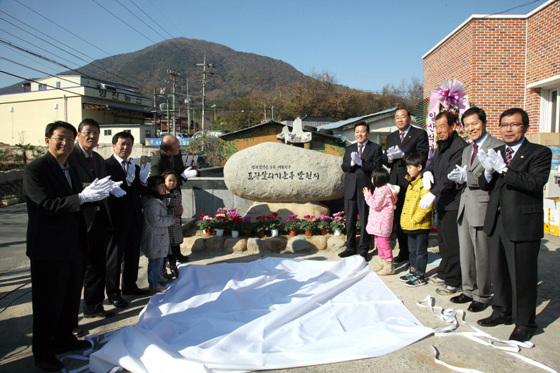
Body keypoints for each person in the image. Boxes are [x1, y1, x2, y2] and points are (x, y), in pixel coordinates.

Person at [24, 121, 112, 371]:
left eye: (69, 139)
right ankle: (43, 353)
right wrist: (81, 197)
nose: (65, 143)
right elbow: (45, 205)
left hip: (74, 243)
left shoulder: (70, 167)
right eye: (60, 138)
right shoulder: (36, 170)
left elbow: (77, 201)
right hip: (49, 248)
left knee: (70, 296)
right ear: (47, 140)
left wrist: (95, 195)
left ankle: (64, 338)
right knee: (47, 303)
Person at [476, 108, 551, 343]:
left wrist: (504, 169)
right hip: (496, 220)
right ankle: (501, 311)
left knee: (522, 276)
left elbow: (534, 183)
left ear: (525, 127)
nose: (508, 129)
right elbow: (486, 185)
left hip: (521, 223)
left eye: (514, 124)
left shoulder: (539, 153)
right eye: (504, 125)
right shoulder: (497, 151)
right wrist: (488, 173)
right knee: (498, 272)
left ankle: (525, 322)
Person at [446, 107, 503, 312]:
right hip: (465, 206)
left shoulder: (497, 145)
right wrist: (459, 178)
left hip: (482, 206)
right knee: (466, 252)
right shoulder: (468, 150)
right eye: (467, 125)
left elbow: (494, 179)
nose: (471, 128)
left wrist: (467, 178)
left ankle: (483, 294)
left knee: (482, 254)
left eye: (474, 124)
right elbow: (465, 177)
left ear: (484, 123)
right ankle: (468, 289)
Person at [68, 119, 121, 325]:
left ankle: (94, 307)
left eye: (96, 133)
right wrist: (87, 188)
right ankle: (70, 321)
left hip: (100, 218)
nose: (92, 137)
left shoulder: (98, 159)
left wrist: (111, 186)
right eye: (88, 132)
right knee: (77, 271)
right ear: (79, 135)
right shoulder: (70, 157)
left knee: (98, 265)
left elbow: (102, 182)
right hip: (80, 219)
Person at [420, 111, 467, 295]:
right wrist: (427, 172)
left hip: (453, 201)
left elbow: (451, 176)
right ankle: (444, 271)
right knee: (443, 242)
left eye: (442, 126)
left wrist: (433, 192)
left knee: (452, 243)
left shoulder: (459, 147)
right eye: (437, 127)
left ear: (454, 126)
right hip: (442, 202)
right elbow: (433, 163)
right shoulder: (442, 146)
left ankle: (454, 280)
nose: (439, 130)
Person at [105, 132, 151, 308]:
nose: (126, 148)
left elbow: (142, 192)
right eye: (122, 144)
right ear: (114, 145)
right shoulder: (106, 166)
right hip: (116, 220)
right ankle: (113, 292)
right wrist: (127, 183)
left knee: (132, 255)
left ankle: (130, 286)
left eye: (129, 145)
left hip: (134, 218)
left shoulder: (135, 166)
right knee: (114, 258)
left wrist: (143, 181)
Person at [382, 108, 429, 264]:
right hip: (395, 183)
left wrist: (404, 156)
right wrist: (389, 158)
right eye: (397, 117)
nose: (400, 119)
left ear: (409, 118)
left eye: (403, 116)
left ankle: (414, 253)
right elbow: (384, 158)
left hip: (411, 181)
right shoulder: (391, 136)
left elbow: (423, 156)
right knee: (399, 218)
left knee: (412, 216)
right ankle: (403, 251)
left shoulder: (419, 134)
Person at [339, 122, 383, 260]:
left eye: (362, 131)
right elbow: (344, 166)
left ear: (368, 133)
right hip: (351, 189)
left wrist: (361, 163)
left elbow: (377, 166)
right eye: (357, 131)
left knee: (365, 220)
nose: (359, 134)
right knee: (350, 220)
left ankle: (364, 248)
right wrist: (352, 163)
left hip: (366, 190)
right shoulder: (349, 148)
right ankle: (350, 247)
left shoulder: (375, 148)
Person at [141, 175, 180, 293]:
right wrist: (171, 220)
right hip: (154, 237)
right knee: (154, 261)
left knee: (159, 260)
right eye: (161, 186)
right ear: (153, 188)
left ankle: (157, 278)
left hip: (160, 237)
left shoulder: (160, 200)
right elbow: (156, 221)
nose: (164, 188)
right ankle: (153, 284)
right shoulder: (152, 203)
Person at [399, 153, 433, 287]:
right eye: (407, 167)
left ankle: (420, 275)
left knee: (420, 252)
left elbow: (427, 204)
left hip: (420, 224)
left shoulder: (425, 182)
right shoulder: (411, 182)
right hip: (411, 224)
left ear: (420, 167)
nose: (408, 170)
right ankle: (413, 271)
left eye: (410, 167)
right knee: (412, 250)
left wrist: (416, 218)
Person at [363, 168, 400, 275]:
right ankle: (382, 263)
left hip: (382, 222)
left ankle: (389, 266)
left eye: (373, 177)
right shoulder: (381, 189)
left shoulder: (382, 190)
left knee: (384, 243)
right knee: (379, 243)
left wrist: (367, 195)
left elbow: (375, 204)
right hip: (379, 222)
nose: (371, 179)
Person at [163, 170, 186, 278]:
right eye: (169, 180)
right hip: (166, 225)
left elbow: (179, 206)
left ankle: (173, 267)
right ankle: (162, 270)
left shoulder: (176, 193)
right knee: (165, 249)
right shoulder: (162, 194)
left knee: (174, 247)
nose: (172, 183)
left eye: (174, 180)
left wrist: (179, 212)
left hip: (175, 224)